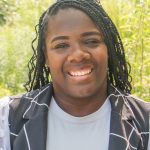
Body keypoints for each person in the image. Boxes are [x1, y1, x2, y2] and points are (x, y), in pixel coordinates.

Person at [0, 0, 150, 149]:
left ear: (108, 48)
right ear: (45, 56)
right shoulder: (7, 118)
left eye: (91, 41)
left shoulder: (145, 121)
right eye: (62, 45)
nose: (78, 55)